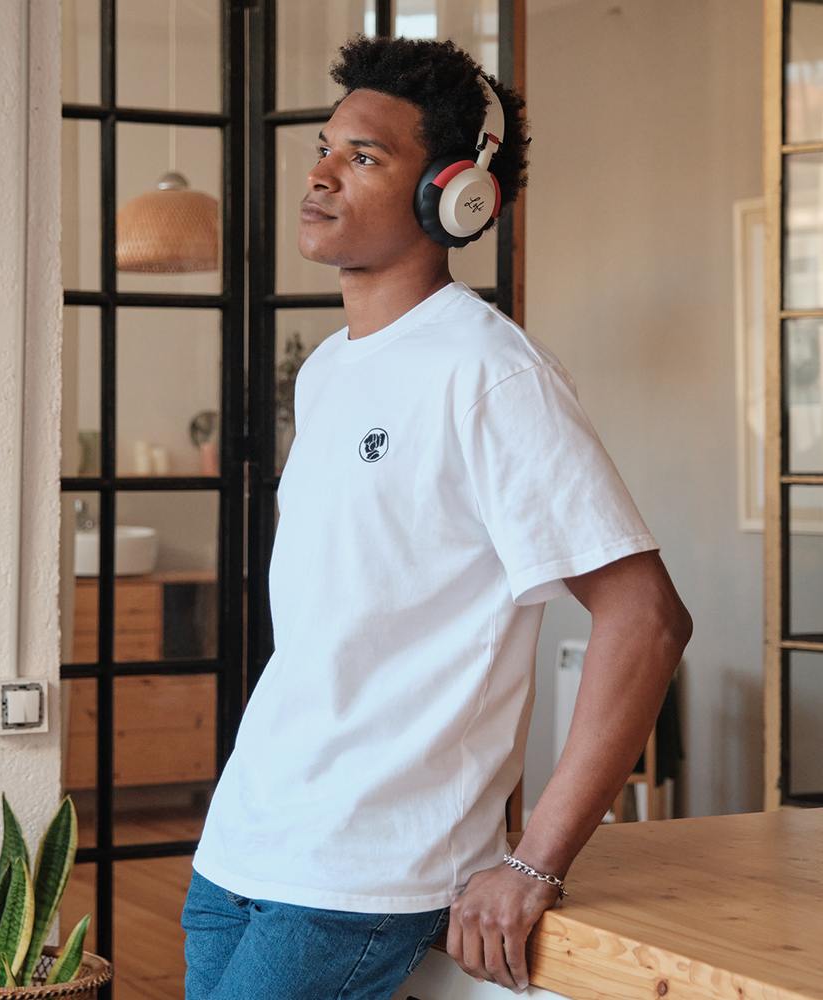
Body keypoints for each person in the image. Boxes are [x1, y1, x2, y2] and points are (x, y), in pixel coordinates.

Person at [182, 34, 692, 999]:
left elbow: (647, 618)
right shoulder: (331, 368)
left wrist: (535, 861)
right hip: (244, 843)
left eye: (364, 156)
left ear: (455, 197)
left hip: (360, 873)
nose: (322, 173)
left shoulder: (492, 376)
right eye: (324, 147)